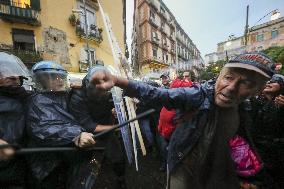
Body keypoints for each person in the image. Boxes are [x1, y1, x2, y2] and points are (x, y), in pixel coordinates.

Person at [90, 52, 275, 189]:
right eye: (228, 77)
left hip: (217, 174)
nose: (231, 88)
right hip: (184, 170)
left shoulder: (247, 107)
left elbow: (250, 142)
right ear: (219, 77)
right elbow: (160, 94)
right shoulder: (198, 95)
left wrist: (248, 176)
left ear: (258, 90)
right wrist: (118, 80)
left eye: (246, 83)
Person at [26, 61, 96, 189]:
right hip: (49, 163)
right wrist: (76, 135)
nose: (59, 80)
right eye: (53, 77)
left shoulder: (65, 95)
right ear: (42, 80)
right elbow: (43, 129)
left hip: (68, 157)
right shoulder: (37, 101)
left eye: (60, 77)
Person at [68, 65, 126, 189]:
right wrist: (116, 127)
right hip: (87, 134)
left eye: (103, 90)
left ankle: (120, 179)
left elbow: (116, 101)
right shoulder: (77, 96)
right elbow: (88, 125)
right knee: (87, 165)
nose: (100, 92)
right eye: (96, 90)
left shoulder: (108, 91)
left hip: (107, 129)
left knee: (118, 158)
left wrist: (115, 109)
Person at [244, 74, 284, 188]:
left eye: (275, 81)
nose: (269, 83)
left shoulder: (281, 102)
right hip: (258, 151)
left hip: (278, 153)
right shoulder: (254, 102)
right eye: (267, 81)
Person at [0, 52, 31, 188]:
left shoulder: (28, 97)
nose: (13, 76)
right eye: (5, 71)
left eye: (15, 71)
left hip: (25, 166)